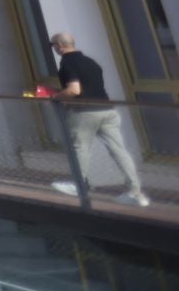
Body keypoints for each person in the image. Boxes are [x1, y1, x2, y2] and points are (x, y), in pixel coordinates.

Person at [48, 32, 148, 207]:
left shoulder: (67, 63)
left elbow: (74, 90)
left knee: (80, 148)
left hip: (84, 112)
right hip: (107, 111)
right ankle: (136, 193)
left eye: (53, 45)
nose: (53, 48)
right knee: (119, 150)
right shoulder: (91, 62)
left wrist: (56, 97)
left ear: (60, 45)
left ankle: (79, 186)